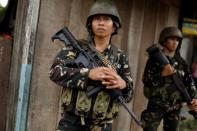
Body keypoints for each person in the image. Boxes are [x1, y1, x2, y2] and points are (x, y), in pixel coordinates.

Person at [49, 0, 133, 131]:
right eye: (97, 19)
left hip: (102, 126)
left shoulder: (120, 58)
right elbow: (54, 72)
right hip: (71, 124)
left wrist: (123, 84)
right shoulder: (74, 49)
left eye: (106, 19)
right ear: (90, 24)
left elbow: (128, 95)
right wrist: (88, 74)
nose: (101, 23)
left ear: (114, 26)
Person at [141, 26, 197, 131]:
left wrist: (194, 98)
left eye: (177, 40)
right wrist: (162, 74)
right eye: (171, 39)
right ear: (164, 40)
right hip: (157, 104)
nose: (175, 42)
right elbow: (146, 80)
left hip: (175, 106)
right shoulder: (154, 59)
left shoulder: (182, 62)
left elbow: (189, 82)